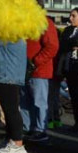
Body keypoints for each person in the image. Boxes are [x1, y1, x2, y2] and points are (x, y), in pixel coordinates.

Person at [21, 8, 59, 143]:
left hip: (38, 70)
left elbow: (52, 46)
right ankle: (28, 127)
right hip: (27, 68)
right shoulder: (27, 22)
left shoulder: (45, 23)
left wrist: (36, 61)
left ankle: (40, 129)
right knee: (26, 100)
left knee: (38, 101)